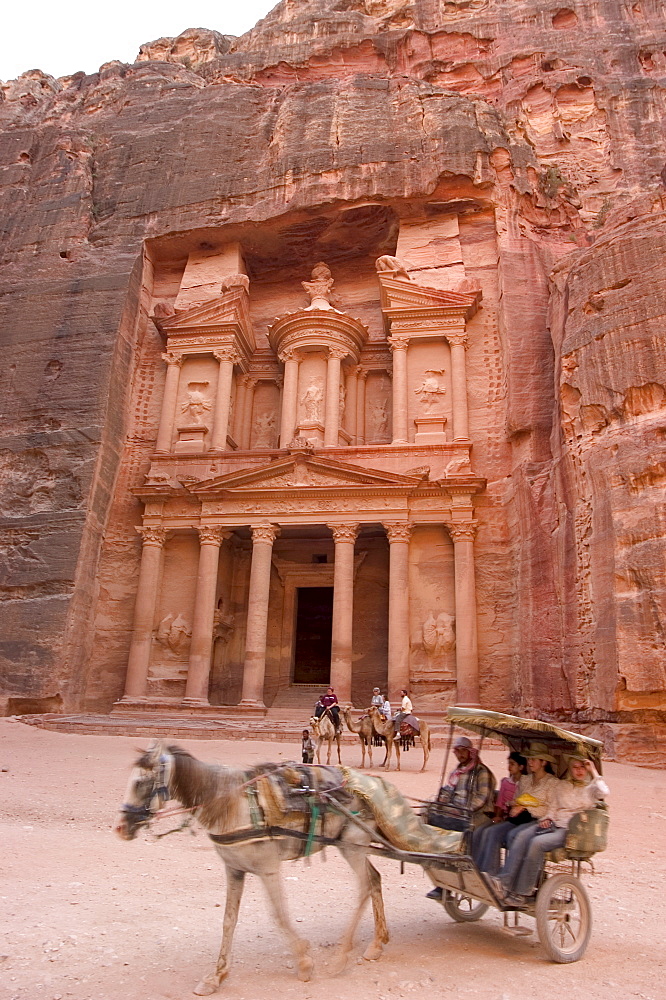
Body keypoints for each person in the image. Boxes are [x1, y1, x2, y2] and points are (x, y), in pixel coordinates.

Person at [497, 755, 609, 903]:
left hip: (570, 831)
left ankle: (523, 892)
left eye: (583, 767)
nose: (579, 771)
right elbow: (553, 807)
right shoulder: (563, 786)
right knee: (522, 835)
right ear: (570, 769)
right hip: (553, 823)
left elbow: (604, 792)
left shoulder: (591, 789)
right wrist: (547, 819)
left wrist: (593, 771)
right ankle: (505, 881)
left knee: (537, 843)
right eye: (575, 767)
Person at [477, 741, 560, 885]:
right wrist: (519, 804)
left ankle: (505, 880)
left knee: (516, 836)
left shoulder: (552, 783)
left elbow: (549, 807)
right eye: (529, 759)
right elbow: (515, 800)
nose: (530, 762)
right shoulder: (525, 780)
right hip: (520, 819)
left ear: (544, 762)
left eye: (534, 759)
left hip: (538, 820)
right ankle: (488, 874)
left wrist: (525, 806)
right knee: (491, 832)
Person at [426, 735, 496, 900]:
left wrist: (464, 810)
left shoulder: (481, 772)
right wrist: (441, 801)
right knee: (434, 823)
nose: (460, 754)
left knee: (459, 832)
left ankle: (464, 872)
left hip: (478, 815)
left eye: (463, 751)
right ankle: (443, 881)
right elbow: (448, 792)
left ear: (470, 752)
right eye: (457, 751)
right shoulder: (456, 772)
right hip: (457, 812)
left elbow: (482, 798)